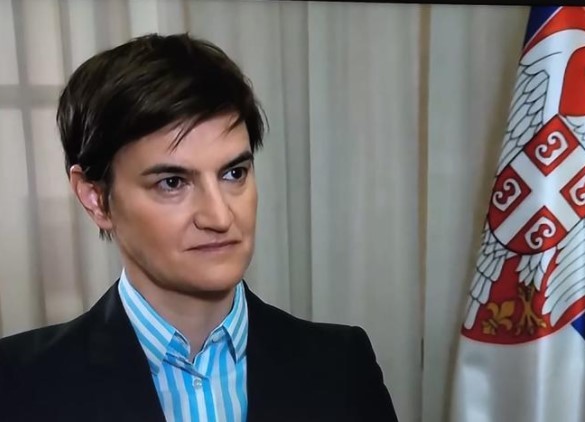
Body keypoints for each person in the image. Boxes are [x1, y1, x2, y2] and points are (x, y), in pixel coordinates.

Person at [0, 33, 397, 422]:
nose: (220, 217)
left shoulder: (342, 367)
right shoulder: (17, 384)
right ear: (96, 198)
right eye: (172, 182)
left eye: (234, 173)